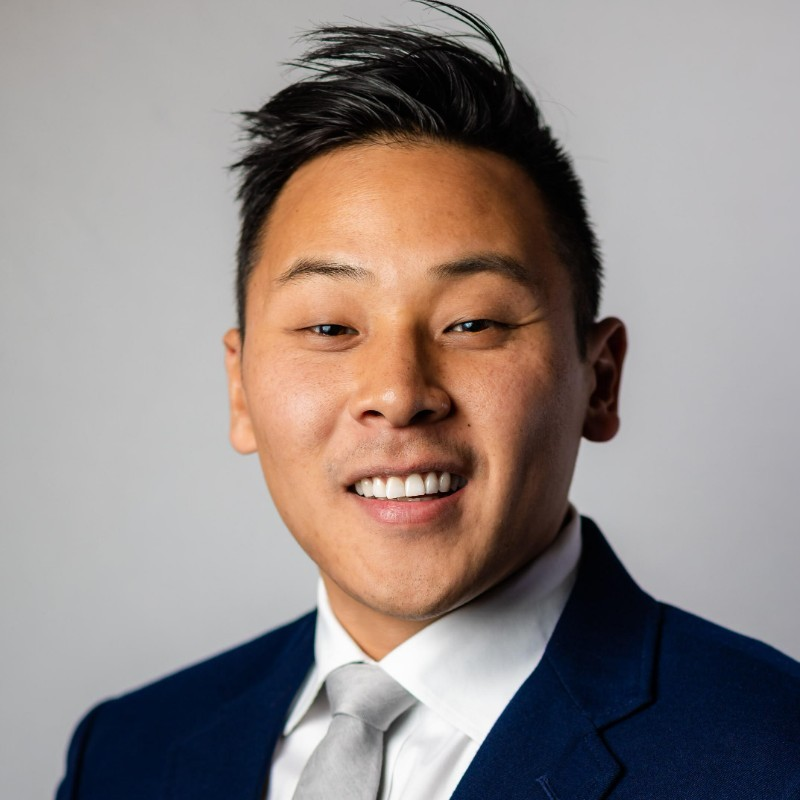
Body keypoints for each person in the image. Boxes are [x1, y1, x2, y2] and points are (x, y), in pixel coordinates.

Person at [56, 3, 800, 798]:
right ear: (240, 389)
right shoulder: (127, 751)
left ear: (600, 379)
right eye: (330, 326)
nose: (399, 394)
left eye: (473, 322)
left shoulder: (772, 756)